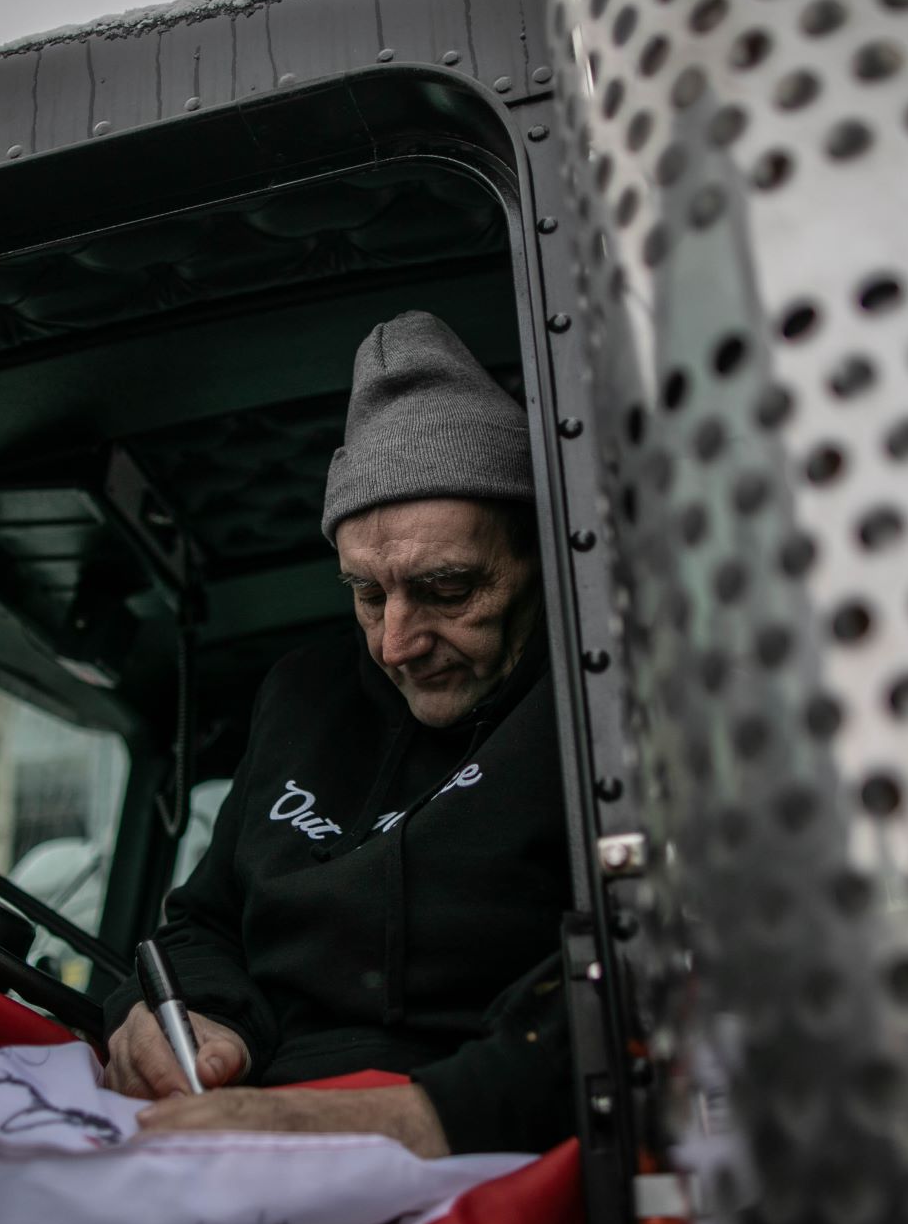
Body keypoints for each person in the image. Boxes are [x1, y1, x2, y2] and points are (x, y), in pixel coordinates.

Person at [100, 310, 574, 1157]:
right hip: (250, 1108)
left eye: (447, 588)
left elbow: (649, 955)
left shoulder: (592, 700)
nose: (396, 643)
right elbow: (205, 921)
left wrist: (422, 1117)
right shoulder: (302, 693)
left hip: (496, 1143)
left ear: (539, 558)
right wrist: (201, 1018)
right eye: (366, 594)